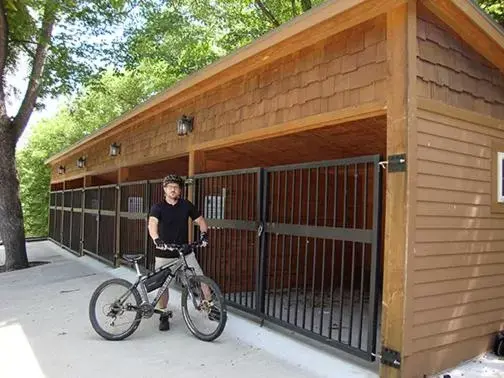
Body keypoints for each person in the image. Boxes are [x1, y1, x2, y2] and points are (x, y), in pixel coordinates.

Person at [148, 174, 209, 331]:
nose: (173, 189)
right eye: (170, 187)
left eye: (176, 187)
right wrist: (156, 239)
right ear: (164, 189)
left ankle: (210, 307)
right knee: (163, 285)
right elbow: (152, 224)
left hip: (184, 252)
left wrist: (204, 234)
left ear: (180, 190)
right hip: (164, 253)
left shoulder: (186, 205)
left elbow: (201, 220)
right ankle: (163, 314)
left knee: (201, 278)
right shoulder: (158, 207)